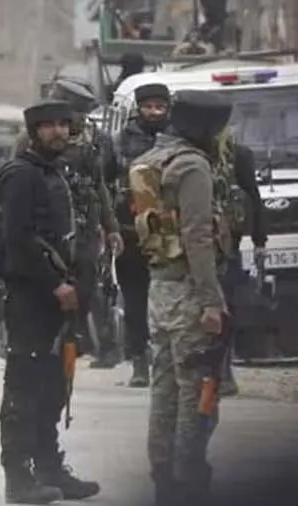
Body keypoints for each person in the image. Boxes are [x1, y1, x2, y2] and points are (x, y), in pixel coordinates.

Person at [0, 99, 100, 504]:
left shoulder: (57, 172)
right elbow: (17, 241)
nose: (58, 132)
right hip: (30, 298)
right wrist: (54, 284)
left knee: (54, 387)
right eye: (49, 126)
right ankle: (18, 478)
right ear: (34, 131)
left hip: (63, 298)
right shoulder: (21, 175)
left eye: (63, 124)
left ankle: (50, 468)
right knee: (24, 389)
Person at [130, 90, 232, 504]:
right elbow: (197, 235)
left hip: (160, 288)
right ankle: (188, 479)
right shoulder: (192, 166)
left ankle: (163, 477)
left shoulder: (152, 159)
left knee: (165, 389)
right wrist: (211, 301)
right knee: (198, 390)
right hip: (190, 290)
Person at [17, 79, 124, 365]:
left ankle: (76, 338)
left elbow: (99, 185)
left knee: (86, 285)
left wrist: (111, 227)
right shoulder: (31, 139)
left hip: (85, 227)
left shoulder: (94, 140)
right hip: (48, 228)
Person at [107, 82, 172, 384]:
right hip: (130, 231)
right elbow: (103, 184)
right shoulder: (119, 142)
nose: (154, 112)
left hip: (170, 232)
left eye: (160, 107)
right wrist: (109, 227)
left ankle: (167, 359)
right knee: (135, 299)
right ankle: (140, 360)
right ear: (138, 108)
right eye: (148, 107)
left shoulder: (177, 139)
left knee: (169, 297)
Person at [213, 130, 266, 397]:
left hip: (226, 245)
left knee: (225, 306)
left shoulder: (238, 155)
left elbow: (253, 196)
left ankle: (223, 369)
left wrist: (259, 240)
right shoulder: (185, 153)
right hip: (191, 241)